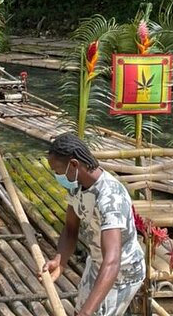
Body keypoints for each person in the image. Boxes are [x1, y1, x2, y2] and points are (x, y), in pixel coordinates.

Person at [41, 133, 144, 316]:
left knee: (90, 312)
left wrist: (87, 313)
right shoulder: (76, 186)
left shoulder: (110, 198)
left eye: (57, 171)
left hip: (122, 273)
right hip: (97, 264)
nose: (57, 176)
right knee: (79, 310)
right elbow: (71, 229)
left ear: (74, 165)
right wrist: (60, 260)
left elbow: (113, 261)